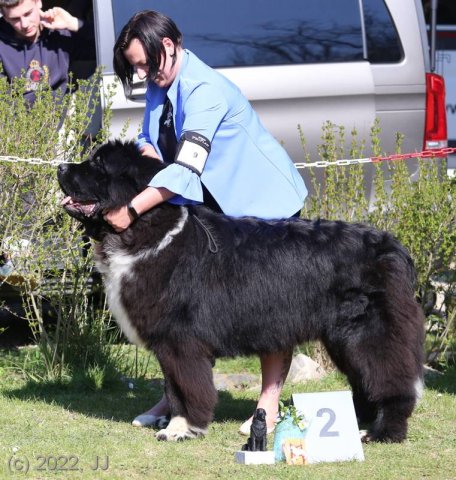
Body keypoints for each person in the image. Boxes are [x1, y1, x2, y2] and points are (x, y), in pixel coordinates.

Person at [108, 10, 308, 436]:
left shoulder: (206, 90)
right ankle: (176, 395)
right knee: (186, 310)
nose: (142, 74)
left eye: (145, 64)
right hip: (214, 212)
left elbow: (184, 170)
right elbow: (149, 140)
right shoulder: (160, 84)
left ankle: (267, 405)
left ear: (170, 45)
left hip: (266, 207)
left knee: (273, 309)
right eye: (134, 67)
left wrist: (129, 210)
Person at [0, 0, 94, 105]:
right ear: (5, 17)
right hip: (20, 118)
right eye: (15, 19)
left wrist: (73, 23)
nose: (25, 24)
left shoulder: (58, 34)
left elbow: (105, 48)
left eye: (28, 13)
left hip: (61, 112)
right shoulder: (2, 46)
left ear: (38, 2)